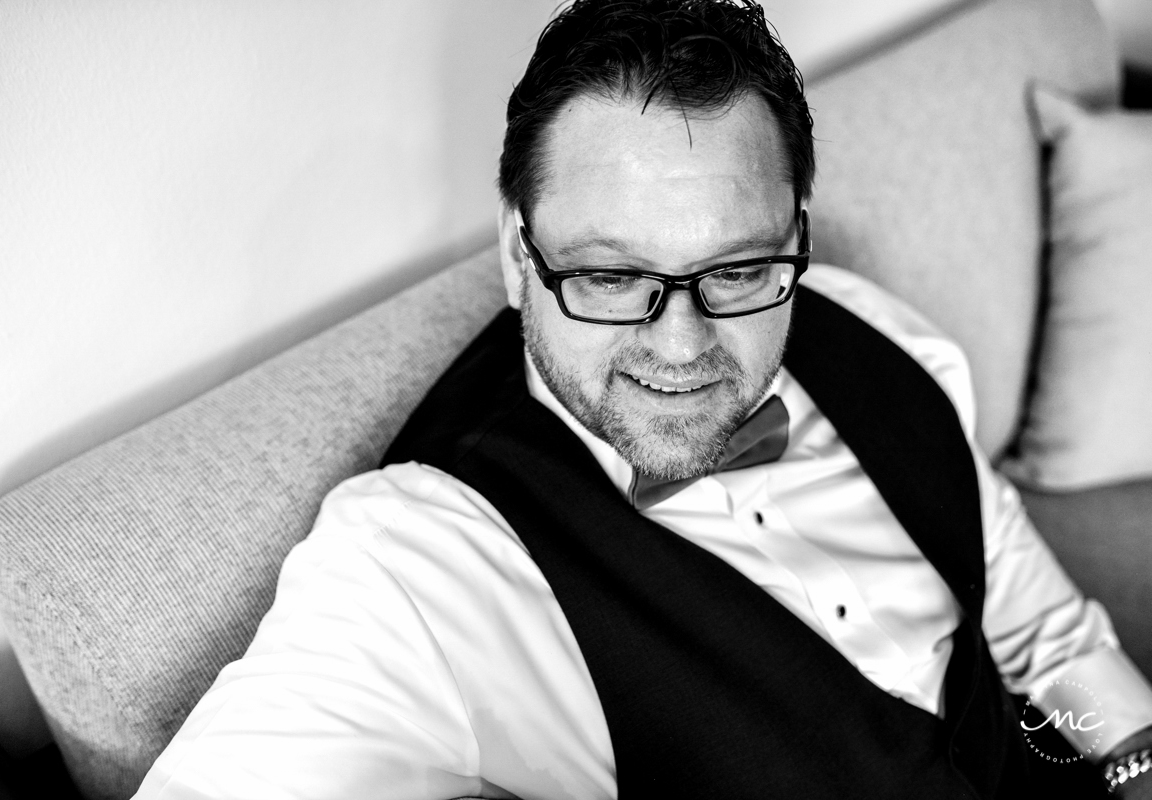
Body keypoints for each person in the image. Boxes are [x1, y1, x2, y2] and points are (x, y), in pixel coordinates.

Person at [134, 1, 1152, 798]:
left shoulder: (869, 326)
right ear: (514, 255)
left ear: (795, 232)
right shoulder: (416, 565)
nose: (679, 343)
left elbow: (1036, 623)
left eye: (739, 267)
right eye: (611, 276)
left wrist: (1130, 761)